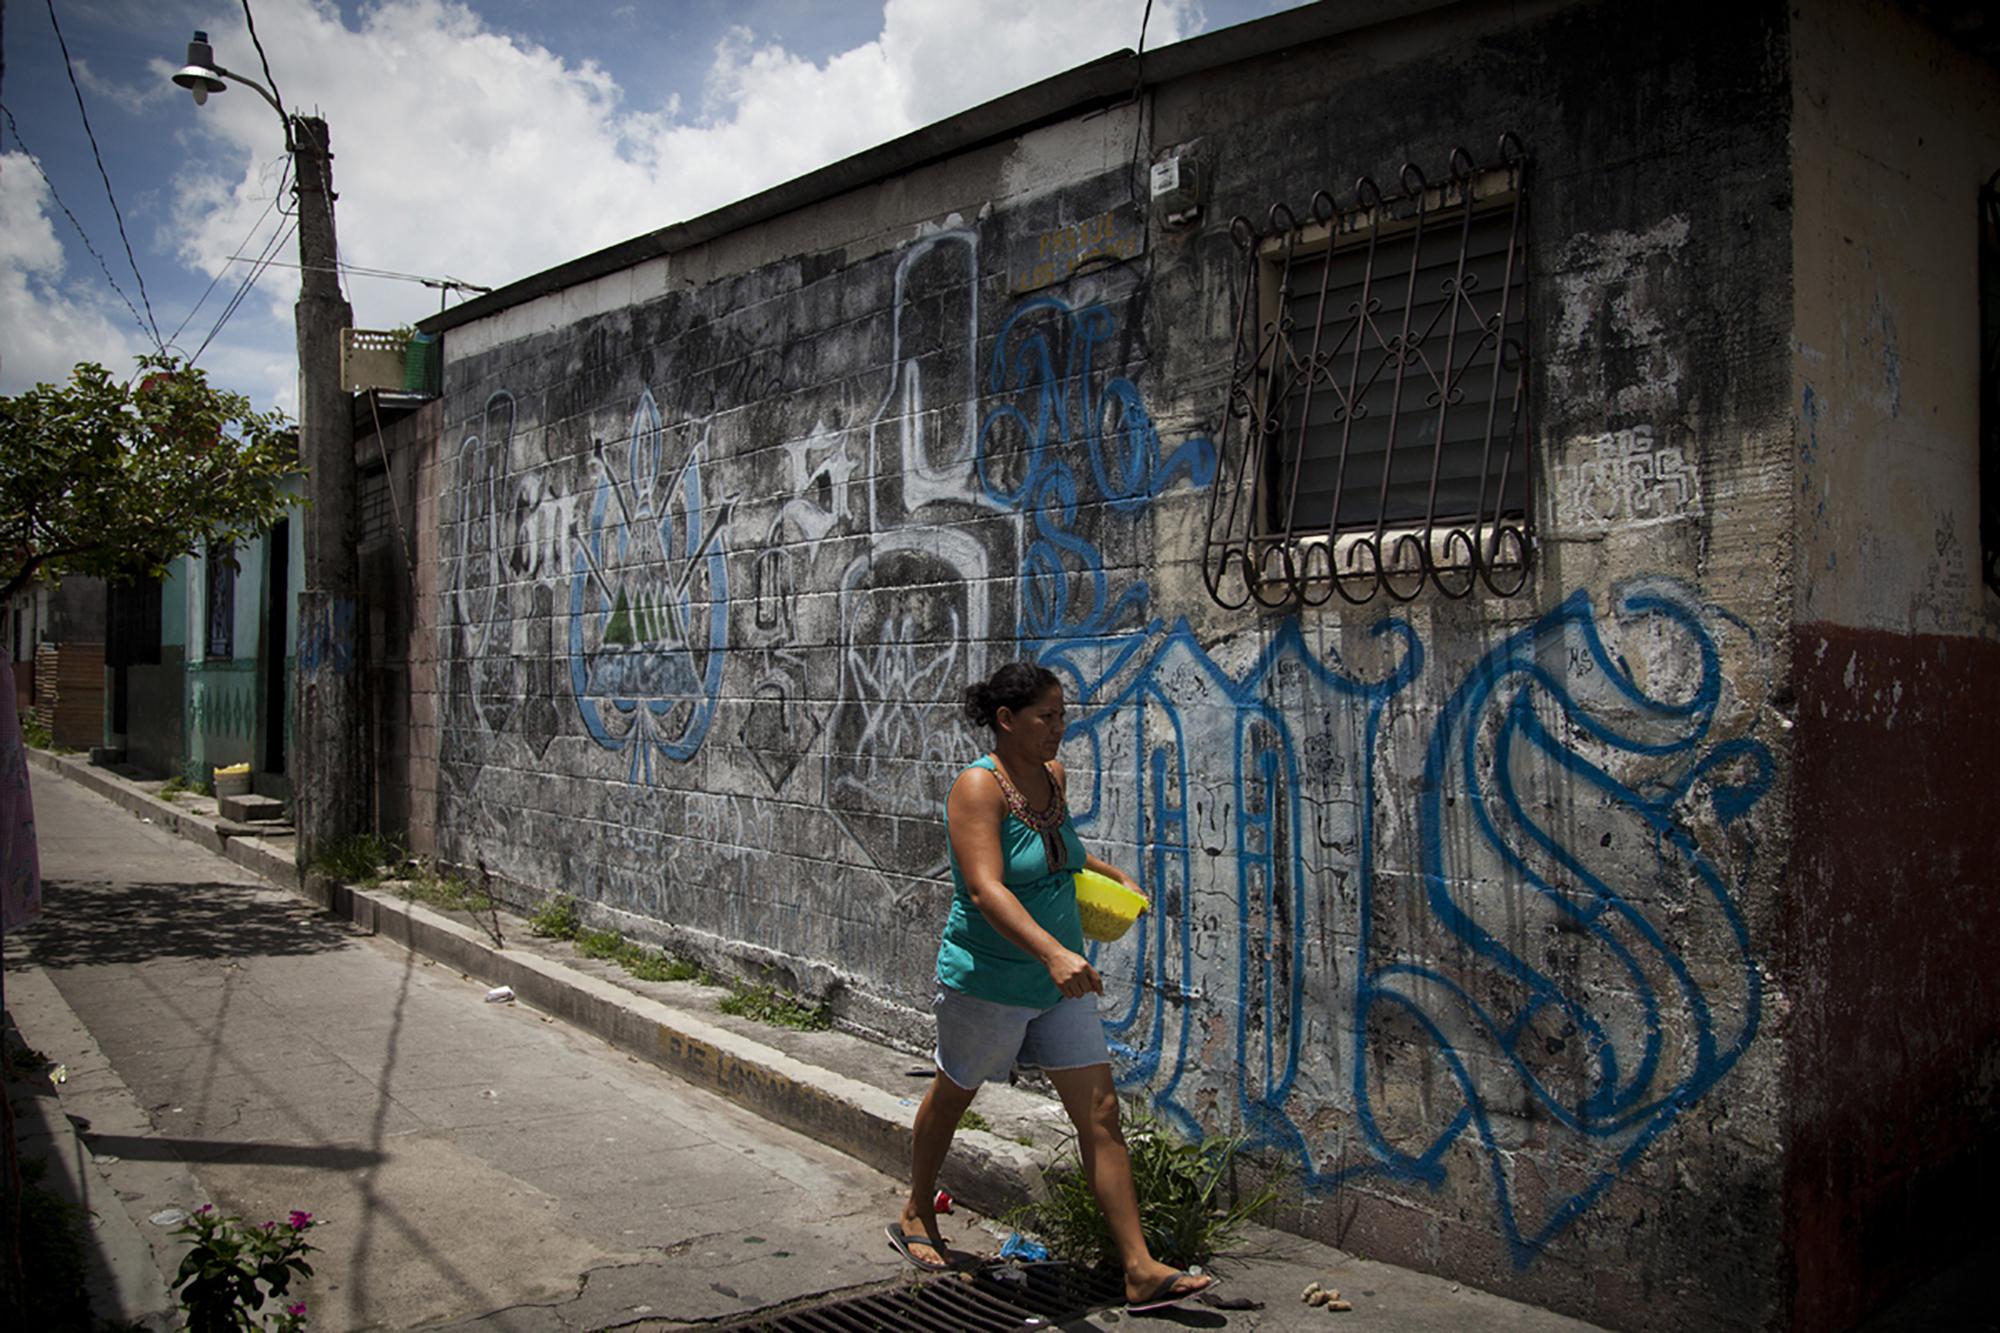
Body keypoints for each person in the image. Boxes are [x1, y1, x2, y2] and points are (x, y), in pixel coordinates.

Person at [885, 661, 1217, 1313]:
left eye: (1063, 715)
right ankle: (917, 1209)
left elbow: (1056, 847)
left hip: (1058, 981)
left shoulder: (1053, 777)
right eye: (1046, 716)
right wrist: (1054, 951)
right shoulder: (977, 787)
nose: (1059, 728)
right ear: (1006, 720)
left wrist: (1104, 869)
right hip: (991, 976)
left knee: (1099, 1112)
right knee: (955, 1093)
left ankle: (1139, 1266)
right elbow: (985, 886)